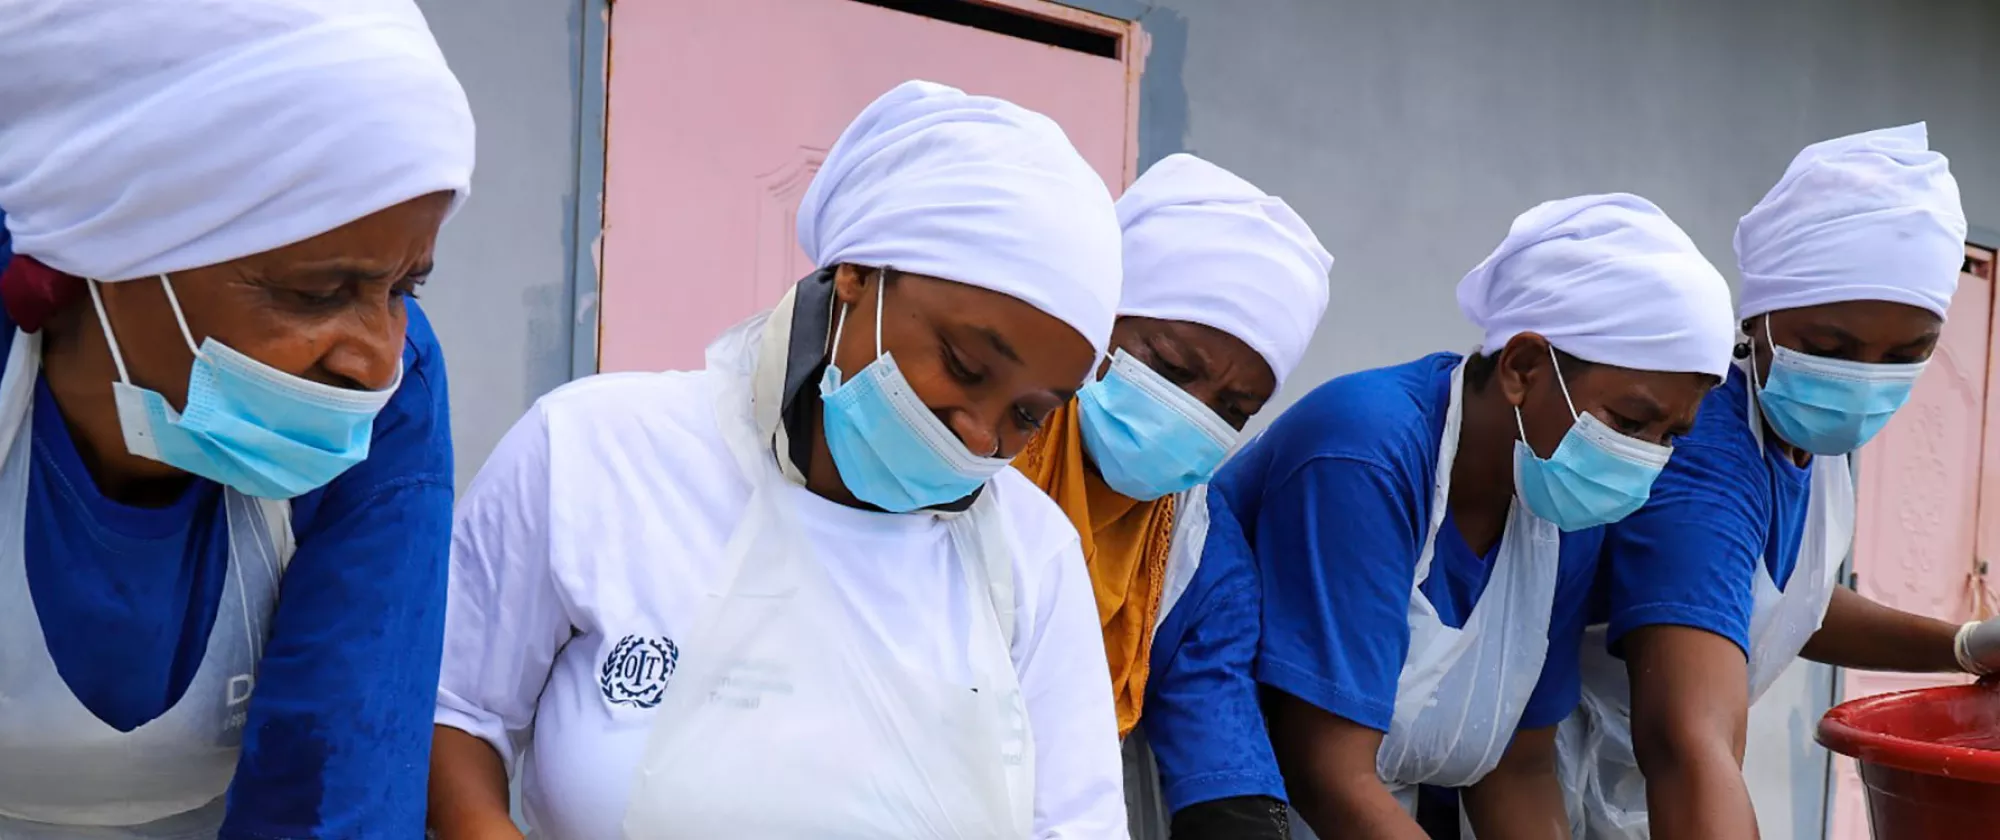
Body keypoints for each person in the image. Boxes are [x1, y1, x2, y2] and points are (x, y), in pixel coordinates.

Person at [428, 80, 1129, 840]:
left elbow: (1076, 824)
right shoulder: (596, 453)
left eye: (1028, 415)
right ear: (859, 274)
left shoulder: (1032, 560)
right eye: (962, 365)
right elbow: (455, 711)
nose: (979, 434)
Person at [0, 1, 474, 837]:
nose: (373, 359)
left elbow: (338, 786)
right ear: (108, 243)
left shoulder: (395, 391)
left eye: (406, 289)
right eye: (314, 293)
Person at [1208, 193, 1737, 840]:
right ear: (1521, 367)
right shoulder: (1364, 452)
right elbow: (1326, 770)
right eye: (1628, 422)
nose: (1643, 457)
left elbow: (1516, 766)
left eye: (1669, 435)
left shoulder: (1563, 510)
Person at [1564, 124, 2000, 840]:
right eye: (1831, 349)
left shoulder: (1803, 444)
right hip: (1559, 798)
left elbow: (1790, 602)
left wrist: (1964, 644)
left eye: (1907, 354)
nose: (1862, 379)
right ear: (1759, 316)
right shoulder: (1705, 452)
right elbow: (1687, 742)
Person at [1007, 153, 1333, 840]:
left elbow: (1217, 729)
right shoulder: (983, 448)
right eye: (1173, 368)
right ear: (1103, 317)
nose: (1191, 414)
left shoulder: (1193, 545)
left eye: (1234, 409)